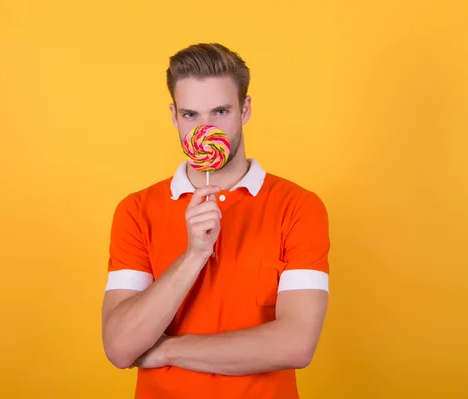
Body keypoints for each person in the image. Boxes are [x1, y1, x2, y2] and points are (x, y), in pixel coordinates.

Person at [101, 42, 330, 399]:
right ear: (174, 115)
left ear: (245, 109)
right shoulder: (136, 210)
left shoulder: (299, 207)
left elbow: (296, 344)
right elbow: (119, 346)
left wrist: (166, 350)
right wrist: (193, 255)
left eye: (220, 111)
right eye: (191, 115)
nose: (206, 129)